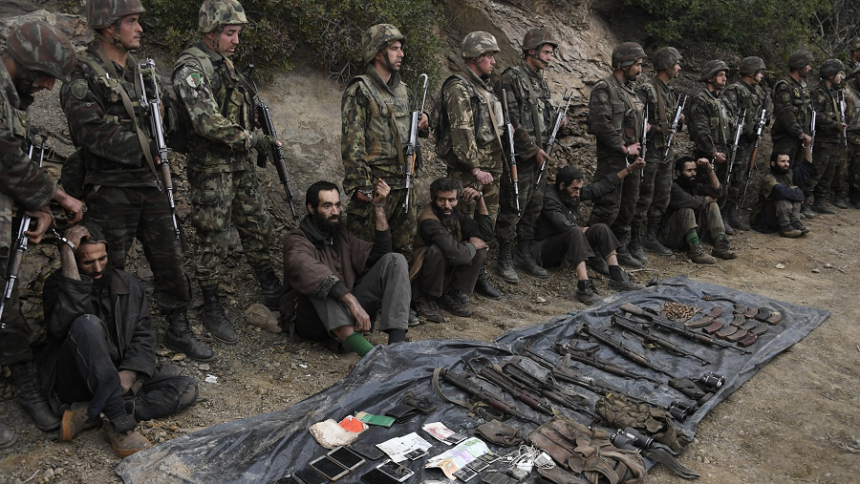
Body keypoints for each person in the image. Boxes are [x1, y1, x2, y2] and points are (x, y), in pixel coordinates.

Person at [61, 0, 213, 362]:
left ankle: (178, 325)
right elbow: (89, 133)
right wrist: (146, 142)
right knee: (108, 264)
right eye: (131, 22)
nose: (140, 29)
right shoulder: (84, 74)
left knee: (171, 257)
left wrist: (165, 113)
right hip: (110, 187)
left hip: (150, 184)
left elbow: (172, 127)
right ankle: (110, 336)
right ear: (109, 27)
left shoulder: (141, 72)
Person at [172, 0, 283, 345]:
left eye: (237, 33)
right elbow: (205, 121)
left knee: (257, 223)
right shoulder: (191, 67)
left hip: (238, 163)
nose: (236, 40)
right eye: (230, 33)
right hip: (211, 167)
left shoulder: (226, 64)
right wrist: (252, 138)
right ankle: (211, 304)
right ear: (211, 31)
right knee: (212, 236)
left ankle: (269, 286)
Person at [41, 225, 198, 457]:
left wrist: (129, 373)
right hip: (77, 378)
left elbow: (144, 335)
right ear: (73, 261)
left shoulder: (129, 284)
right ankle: (117, 419)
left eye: (102, 258)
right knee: (87, 323)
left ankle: (94, 412)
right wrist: (67, 255)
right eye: (87, 262)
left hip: (117, 374)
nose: (97, 268)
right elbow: (61, 326)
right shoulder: (58, 285)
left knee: (186, 387)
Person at [0, 22, 83, 446]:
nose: (50, 87)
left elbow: (25, 155)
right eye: (47, 75)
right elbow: (6, 158)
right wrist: (55, 199)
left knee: (6, 312)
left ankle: (28, 389)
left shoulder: (13, 97)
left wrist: (41, 199)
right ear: (29, 64)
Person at [282, 180, 410, 357]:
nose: (335, 212)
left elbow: (378, 254)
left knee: (395, 260)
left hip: (348, 310)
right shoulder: (296, 240)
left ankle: (398, 346)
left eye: (337, 205)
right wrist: (351, 300)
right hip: (314, 321)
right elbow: (307, 270)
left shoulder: (339, 233)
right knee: (320, 286)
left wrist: (378, 207)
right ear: (311, 208)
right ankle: (370, 355)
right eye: (327, 206)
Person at [341, 24, 428, 255]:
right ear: (378, 52)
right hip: (378, 184)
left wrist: (423, 122)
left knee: (403, 248)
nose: (401, 54)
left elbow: (408, 131)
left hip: (406, 181)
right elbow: (353, 141)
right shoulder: (360, 90)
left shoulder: (404, 90)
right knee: (365, 249)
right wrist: (361, 183)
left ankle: (398, 291)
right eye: (394, 49)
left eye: (401, 49)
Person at [436, 31, 504, 300]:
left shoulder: (484, 87)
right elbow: (461, 130)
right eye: (489, 56)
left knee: (486, 225)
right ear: (475, 57)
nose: (493, 62)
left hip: (490, 170)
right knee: (462, 227)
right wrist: (475, 168)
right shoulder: (458, 86)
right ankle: (455, 285)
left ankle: (477, 276)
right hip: (469, 171)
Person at [491, 28, 560, 283]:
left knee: (534, 207)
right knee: (513, 207)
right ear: (531, 51)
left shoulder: (539, 80)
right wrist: (532, 150)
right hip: (520, 158)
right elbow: (510, 122)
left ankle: (523, 254)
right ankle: (504, 257)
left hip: (540, 156)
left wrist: (555, 123)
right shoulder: (511, 79)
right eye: (546, 53)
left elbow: (541, 115)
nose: (549, 58)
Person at [535, 165, 644, 304]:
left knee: (601, 228)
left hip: (567, 247)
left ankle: (617, 278)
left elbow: (599, 188)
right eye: (574, 189)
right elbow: (561, 223)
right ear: (562, 186)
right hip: (545, 250)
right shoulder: (549, 197)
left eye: (579, 189)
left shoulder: (573, 193)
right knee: (575, 231)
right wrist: (580, 230)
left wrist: (628, 169)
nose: (578, 194)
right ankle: (584, 288)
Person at [585, 42, 647, 268]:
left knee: (628, 206)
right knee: (607, 207)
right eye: (638, 65)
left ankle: (618, 247)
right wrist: (623, 147)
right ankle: (592, 252)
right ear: (625, 63)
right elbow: (601, 124)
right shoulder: (605, 88)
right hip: (614, 160)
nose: (640, 70)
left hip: (633, 160)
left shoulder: (629, 91)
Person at [409, 178, 492, 322]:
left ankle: (451, 292)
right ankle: (425, 298)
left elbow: (486, 235)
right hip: (422, 277)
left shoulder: (454, 214)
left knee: (480, 249)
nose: (447, 205)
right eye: (441, 200)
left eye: (451, 200)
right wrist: (472, 246)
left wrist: (480, 200)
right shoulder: (429, 221)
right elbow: (456, 255)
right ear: (433, 198)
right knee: (438, 251)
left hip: (445, 273)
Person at [633, 46, 684, 259]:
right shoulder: (647, 90)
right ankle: (634, 239)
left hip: (666, 151)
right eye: (676, 64)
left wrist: (678, 123)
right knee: (644, 195)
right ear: (667, 66)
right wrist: (657, 129)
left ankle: (651, 236)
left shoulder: (670, 92)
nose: (679, 68)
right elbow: (636, 121)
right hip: (651, 150)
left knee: (662, 195)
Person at [721, 56, 771, 230]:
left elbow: (761, 114)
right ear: (751, 72)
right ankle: (722, 214)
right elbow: (728, 115)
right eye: (760, 72)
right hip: (737, 143)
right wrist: (743, 130)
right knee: (732, 177)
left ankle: (731, 211)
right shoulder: (735, 90)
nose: (762, 76)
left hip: (749, 142)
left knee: (741, 178)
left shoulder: (757, 91)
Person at [688, 60, 735, 234]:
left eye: (725, 75)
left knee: (722, 188)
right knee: (706, 190)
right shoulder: (701, 99)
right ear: (710, 77)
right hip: (707, 154)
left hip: (724, 150)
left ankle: (716, 224)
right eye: (721, 75)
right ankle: (702, 227)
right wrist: (712, 151)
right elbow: (700, 130)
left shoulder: (721, 101)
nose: (725, 79)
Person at [661, 156, 737, 264]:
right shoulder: (673, 187)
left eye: (695, 170)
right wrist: (707, 199)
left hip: (688, 236)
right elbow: (691, 201)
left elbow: (717, 192)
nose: (693, 174)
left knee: (712, 205)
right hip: (672, 237)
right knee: (687, 209)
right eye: (689, 170)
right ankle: (695, 251)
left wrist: (709, 169)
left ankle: (720, 245)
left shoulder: (695, 186)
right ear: (678, 172)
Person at [772, 50, 815, 217]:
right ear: (799, 66)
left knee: (798, 173)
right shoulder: (784, 85)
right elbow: (785, 113)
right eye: (807, 65)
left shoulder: (803, 86)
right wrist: (799, 133)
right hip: (786, 139)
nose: (810, 68)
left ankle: (796, 206)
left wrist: (806, 134)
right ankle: (781, 209)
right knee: (783, 173)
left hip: (800, 139)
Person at [809, 59, 848, 214]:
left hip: (833, 139)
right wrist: (835, 122)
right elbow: (816, 115)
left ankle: (820, 201)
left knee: (829, 173)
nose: (841, 77)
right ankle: (805, 202)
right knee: (816, 171)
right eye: (839, 74)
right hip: (822, 139)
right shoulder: (818, 92)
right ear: (830, 75)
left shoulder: (833, 92)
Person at [750, 152, 814, 237]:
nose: (786, 164)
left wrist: (807, 147)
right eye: (783, 161)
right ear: (773, 163)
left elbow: (806, 166)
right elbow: (779, 191)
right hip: (765, 218)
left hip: (780, 215)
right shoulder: (768, 178)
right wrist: (799, 195)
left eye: (788, 161)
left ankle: (795, 222)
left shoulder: (788, 174)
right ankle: (785, 227)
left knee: (793, 190)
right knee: (784, 194)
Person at [843, 65, 860, 208]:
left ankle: (855, 195)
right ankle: (838, 194)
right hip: (848, 133)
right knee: (843, 165)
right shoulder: (847, 91)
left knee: (858, 168)